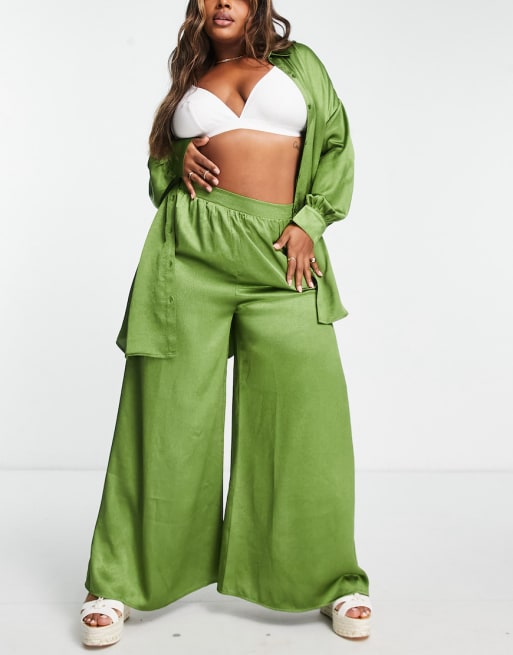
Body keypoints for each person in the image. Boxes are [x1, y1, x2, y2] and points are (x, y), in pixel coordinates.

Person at [80, 0, 371, 647]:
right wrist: (177, 159)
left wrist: (309, 223)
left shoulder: (299, 65)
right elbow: (160, 174)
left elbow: (335, 145)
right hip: (188, 253)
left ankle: (331, 578)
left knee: (307, 418)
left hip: (281, 256)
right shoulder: (188, 77)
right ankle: (116, 579)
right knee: (164, 417)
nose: (222, 1)